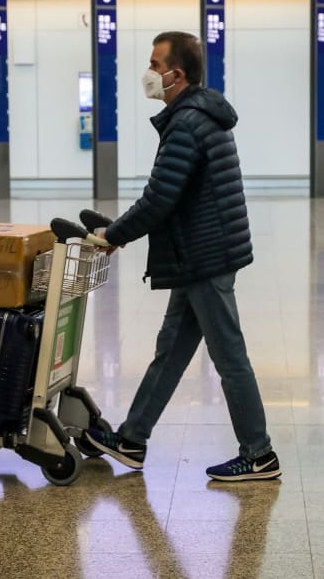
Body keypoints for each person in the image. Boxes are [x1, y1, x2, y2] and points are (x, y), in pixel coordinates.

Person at [83, 31, 280, 482]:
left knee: (229, 356)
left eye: (156, 64)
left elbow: (160, 198)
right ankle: (132, 439)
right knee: (170, 351)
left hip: (206, 254)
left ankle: (260, 453)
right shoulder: (196, 113)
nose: (149, 73)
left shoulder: (188, 122)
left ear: (178, 73)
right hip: (201, 250)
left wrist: (115, 234)